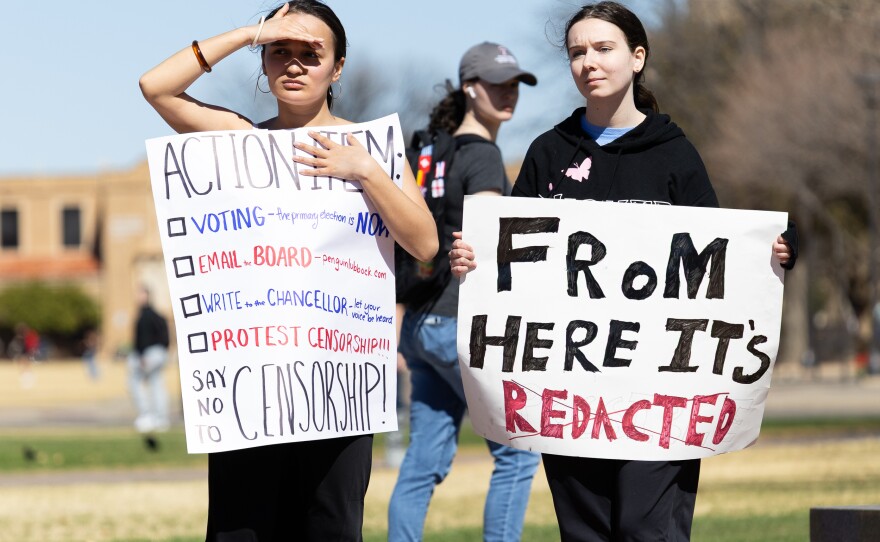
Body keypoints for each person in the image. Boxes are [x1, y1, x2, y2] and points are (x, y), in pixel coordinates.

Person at [448, 3, 797, 541]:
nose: (589, 62)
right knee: (585, 532)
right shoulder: (547, 153)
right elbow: (510, 262)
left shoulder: (676, 155)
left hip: (660, 397)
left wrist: (769, 256)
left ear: (637, 58)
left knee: (645, 527)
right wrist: (473, 260)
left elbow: (717, 266)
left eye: (603, 48)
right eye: (577, 53)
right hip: (568, 396)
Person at [139, 1, 437, 540]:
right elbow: (156, 87)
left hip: (339, 389)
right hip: (250, 390)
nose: (294, 65)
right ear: (264, 60)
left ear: (338, 67)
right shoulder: (238, 139)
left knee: (330, 528)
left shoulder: (372, 148)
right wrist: (251, 32)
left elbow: (424, 243)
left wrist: (366, 171)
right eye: (280, 51)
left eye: (311, 53)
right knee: (240, 529)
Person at [388, 42, 541, 542]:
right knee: (518, 451)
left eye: (514, 83)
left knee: (424, 459)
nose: (508, 93)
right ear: (470, 88)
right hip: (459, 322)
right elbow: (497, 248)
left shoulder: (428, 151)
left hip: (419, 325)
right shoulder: (482, 157)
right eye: (497, 83)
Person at [128, 285, 171, 433]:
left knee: (135, 380)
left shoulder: (146, 316)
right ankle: (160, 418)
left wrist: (144, 355)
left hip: (150, 354)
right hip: (158, 353)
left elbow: (144, 338)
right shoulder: (156, 315)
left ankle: (147, 415)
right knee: (156, 383)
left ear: (146, 296)